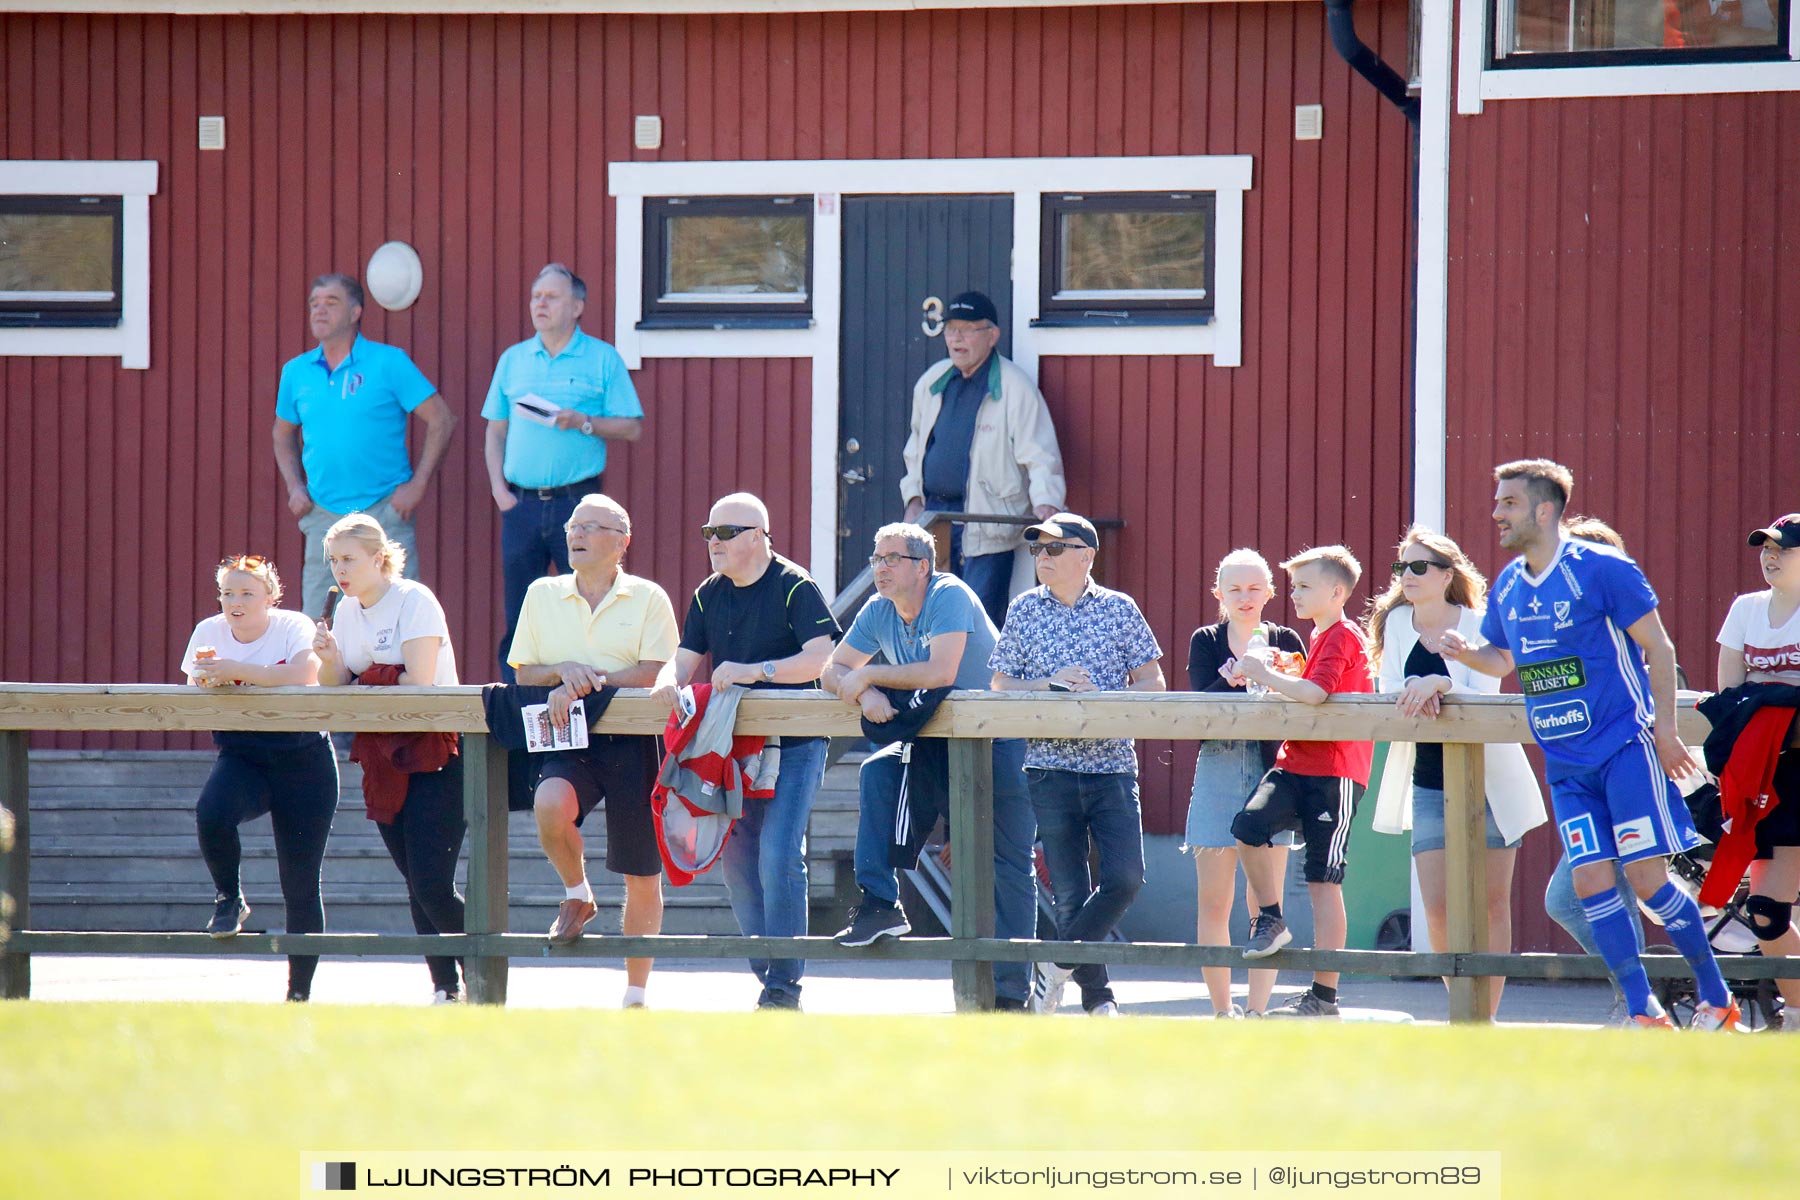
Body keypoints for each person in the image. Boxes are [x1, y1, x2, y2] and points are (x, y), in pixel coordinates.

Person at [1439, 458, 1740, 1030]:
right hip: (1565, 764)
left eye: (1508, 502)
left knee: (1649, 880)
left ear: (1545, 510)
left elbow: (1660, 647)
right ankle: (1642, 1010)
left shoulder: (1601, 567)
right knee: (1588, 880)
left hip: (1623, 750)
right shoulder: (1507, 585)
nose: (1495, 513)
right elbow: (1502, 660)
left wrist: (1666, 731)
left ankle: (1716, 996)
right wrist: (1463, 653)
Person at [820, 523, 1039, 1010]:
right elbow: (829, 669)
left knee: (1007, 864)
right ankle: (879, 904)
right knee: (876, 772)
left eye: (891, 559)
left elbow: (942, 670)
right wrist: (867, 692)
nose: (879, 567)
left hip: (995, 739)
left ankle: (1010, 994)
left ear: (922, 566)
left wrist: (870, 673)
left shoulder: (949, 593)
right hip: (930, 740)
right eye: (876, 559)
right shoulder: (879, 610)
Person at [649, 493, 840, 1010]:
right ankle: (772, 977)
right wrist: (668, 682)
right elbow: (684, 658)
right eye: (708, 532)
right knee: (736, 863)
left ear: (757, 536)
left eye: (725, 533)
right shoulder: (708, 593)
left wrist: (757, 672)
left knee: (779, 856)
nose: (713, 542)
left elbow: (821, 660)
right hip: (732, 746)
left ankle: (783, 985)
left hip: (796, 743)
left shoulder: (795, 585)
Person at [1366, 527, 1547, 1019]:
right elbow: (1386, 688)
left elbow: (1486, 688)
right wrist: (1417, 683)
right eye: (1402, 566)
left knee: (1491, 904)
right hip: (1428, 781)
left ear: (1448, 575)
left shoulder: (1479, 621)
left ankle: (1484, 1016)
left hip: (1490, 782)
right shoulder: (1397, 622)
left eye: (1419, 566)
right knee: (1438, 907)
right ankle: (1463, 1008)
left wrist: (1439, 680)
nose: (1408, 576)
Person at [989, 512, 1165, 1016]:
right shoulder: (1023, 610)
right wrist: (1048, 684)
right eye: (1037, 550)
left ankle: (1057, 964)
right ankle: (1098, 998)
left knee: (1127, 878)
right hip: (1048, 767)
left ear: (1086, 556)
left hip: (1112, 765)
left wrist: (1102, 695)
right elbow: (1001, 686)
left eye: (1054, 549)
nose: (1042, 557)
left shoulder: (1120, 608)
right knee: (1069, 891)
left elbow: (1153, 683)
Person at [507, 493, 677, 1007]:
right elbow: (524, 671)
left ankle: (635, 995)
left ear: (622, 542)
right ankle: (577, 893)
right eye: (572, 527)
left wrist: (584, 681)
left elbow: (655, 671)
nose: (574, 535)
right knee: (549, 806)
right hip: (569, 735)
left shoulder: (649, 597)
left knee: (641, 873)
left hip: (635, 742)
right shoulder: (542, 593)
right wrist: (564, 672)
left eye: (589, 527)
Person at [312, 513, 467, 1004]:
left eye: (349, 559)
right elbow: (336, 684)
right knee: (415, 885)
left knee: (431, 883)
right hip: (381, 753)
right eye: (333, 560)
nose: (340, 570)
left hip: (438, 750)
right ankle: (446, 987)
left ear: (379, 559)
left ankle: (487, 971)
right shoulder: (346, 610)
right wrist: (331, 657)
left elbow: (420, 682)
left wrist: (366, 680)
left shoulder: (414, 600)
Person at [180, 555, 337, 1002]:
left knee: (301, 881)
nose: (236, 602)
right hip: (243, 753)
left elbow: (305, 673)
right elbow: (194, 681)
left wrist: (236, 672)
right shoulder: (208, 630)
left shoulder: (293, 625)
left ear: (271, 597)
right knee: (211, 813)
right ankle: (229, 896)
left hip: (303, 758)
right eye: (228, 593)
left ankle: (298, 994)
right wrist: (211, 681)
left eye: (247, 593)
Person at [1230, 545, 1374, 1019]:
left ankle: (1324, 997)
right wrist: (1279, 674)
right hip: (1298, 763)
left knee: (1322, 880)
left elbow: (1315, 694)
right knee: (1248, 826)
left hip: (1334, 772)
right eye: (1294, 586)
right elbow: (1312, 687)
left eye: (1305, 586)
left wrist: (1266, 674)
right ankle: (1270, 918)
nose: (1294, 594)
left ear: (1336, 592)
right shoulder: (1320, 637)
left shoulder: (1341, 635)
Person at [483, 264, 645, 681]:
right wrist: (500, 491)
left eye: (551, 297)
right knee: (521, 611)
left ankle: (592, 692)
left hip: (578, 503)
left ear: (577, 307)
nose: (540, 304)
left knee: (590, 598)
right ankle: (519, 711)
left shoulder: (602, 358)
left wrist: (584, 422)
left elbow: (631, 426)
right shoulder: (514, 360)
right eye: (536, 296)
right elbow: (495, 431)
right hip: (520, 503)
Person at [273, 273, 458, 618]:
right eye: (315, 304)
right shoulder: (296, 371)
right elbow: (281, 434)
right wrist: (294, 486)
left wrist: (418, 485)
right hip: (323, 515)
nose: (320, 311)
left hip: (384, 509)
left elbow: (441, 419)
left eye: (331, 303)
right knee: (320, 624)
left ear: (356, 312)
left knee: (395, 617)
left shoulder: (388, 362)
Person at [1183, 549, 1306, 1019]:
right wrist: (1236, 681)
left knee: (1265, 903)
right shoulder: (1205, 639)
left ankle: (1256, 1011)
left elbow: (1299, 692)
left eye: (1255, 587)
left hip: (1271, 769)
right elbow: (1201, 703)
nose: (1245, 597)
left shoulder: (1287, 637)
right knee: (1214, 899)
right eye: (1234, 588)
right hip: (1217, 765)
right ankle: (1221, 1010)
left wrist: (1263, 676)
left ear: (1270, 593)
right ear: (1219, 594)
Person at [899, 291, 1066, 628]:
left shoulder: (1015, 387)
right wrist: (913, 498)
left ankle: (975, 682)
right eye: (951, 330)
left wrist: (1047, 504)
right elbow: (915, 449)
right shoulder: (932, 382)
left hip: (987, 523)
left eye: (968, 329)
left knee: (979, 621)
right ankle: (933, 681)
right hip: (935, 520)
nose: (956, 338)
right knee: (931, 617)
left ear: (992, 335)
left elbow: (1040, 453)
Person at [1541, 517, 1644, 980]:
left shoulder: (1624, 622)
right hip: (1580, 775)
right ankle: (1640, 996)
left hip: (1622, 770)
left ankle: (1638, 1001)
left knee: (1590, 895)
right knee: (1575, 898)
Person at [1714, 512, 1800, 1022]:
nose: (1770, 555)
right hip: (1763, 776)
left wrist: (1765, 700)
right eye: (1765, 547)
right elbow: (1729, 693)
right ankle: (1796, 1015)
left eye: (1783, 548)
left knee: (1770, 910)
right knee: (1766, 914)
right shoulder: (1745, 608)